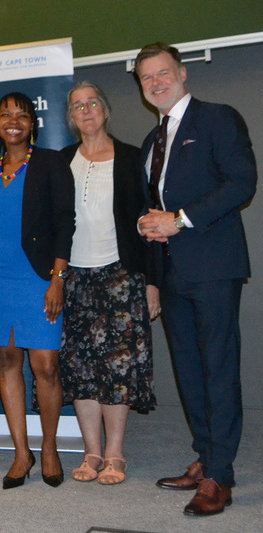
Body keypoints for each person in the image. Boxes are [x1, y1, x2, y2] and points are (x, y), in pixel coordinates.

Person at [136, 42, 257, 516]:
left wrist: (179, 219)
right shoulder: (152, 140)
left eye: (163, 73)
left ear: (183, 74)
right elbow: (155, 209)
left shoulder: (217, 118)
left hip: (212, 268)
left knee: (219, 371)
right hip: (170, 273)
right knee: (189, 371)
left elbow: (242, 182)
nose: (156, 83)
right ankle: (206, 458)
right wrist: (150, 229)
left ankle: (220, 477)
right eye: (146, 78)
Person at [59, 81, 158, 486]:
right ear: (71, 116)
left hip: (121, 275)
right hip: (75, 278)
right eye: (77, 105)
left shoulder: (133, 158)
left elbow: (150, 222)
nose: (86, 110)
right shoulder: (62, 161)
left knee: (117, 369)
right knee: (82, 369)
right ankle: (91, 452)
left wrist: (152, 283)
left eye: (92, 102)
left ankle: (115, 454)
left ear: (105, 108)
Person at [0, 92, 75, 490]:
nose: (12, 121)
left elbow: (65, 222)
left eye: (21, 115)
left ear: (33, 123)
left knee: (46, 366)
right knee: (9, 364)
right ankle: (22, 453)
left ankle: (49, 448)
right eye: (5, 115)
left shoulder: (51, 163)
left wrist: (58, 279)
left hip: (39, 278)